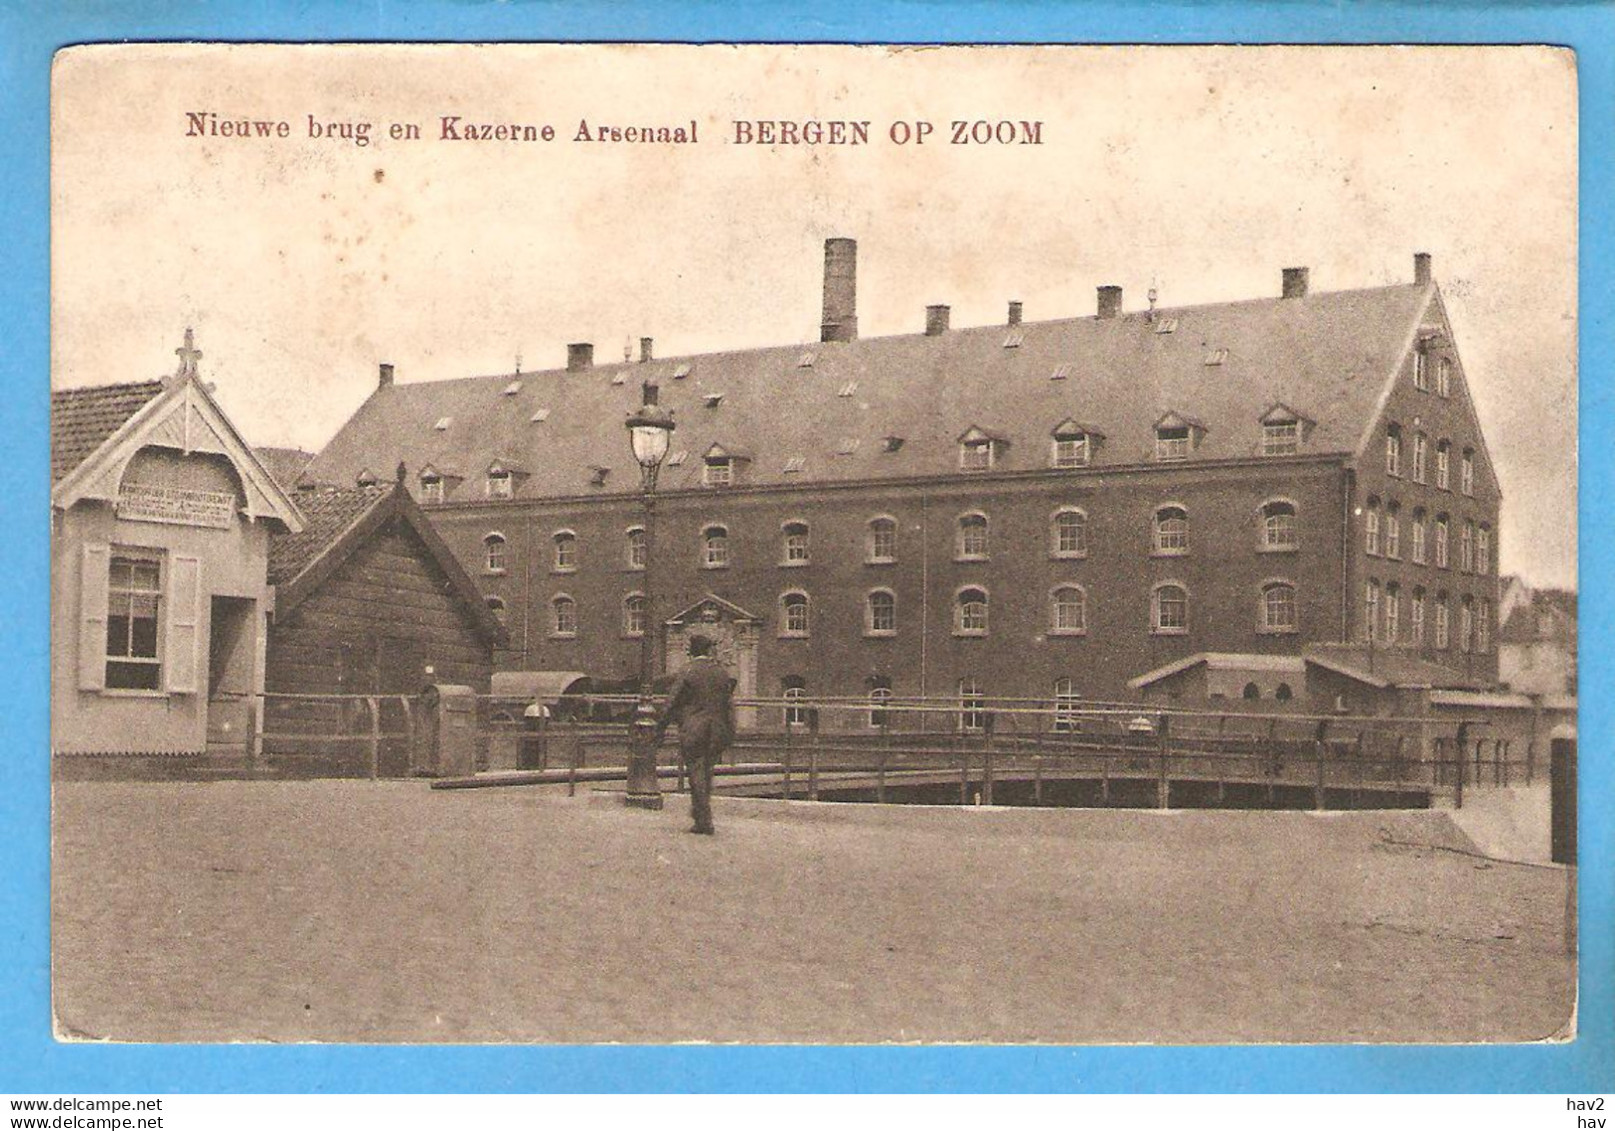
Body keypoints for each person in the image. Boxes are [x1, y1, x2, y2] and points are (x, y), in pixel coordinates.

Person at [656, 635, 737, 835]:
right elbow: (728, 704)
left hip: (694, 728)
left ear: (691, 651)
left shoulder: (688, 671)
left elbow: (672, 701)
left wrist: (660, 726)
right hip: (717, 729)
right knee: (707, 770)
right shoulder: (722, 673)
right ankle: (701, 813)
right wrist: (730, 731)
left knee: (696, 771)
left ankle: (703, 819)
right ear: (709, 651)